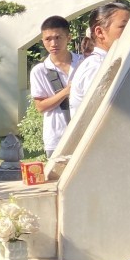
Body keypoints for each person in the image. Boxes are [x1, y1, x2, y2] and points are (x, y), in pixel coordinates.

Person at [29, 16, 82, 157]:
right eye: (48, 39)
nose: (53, 43)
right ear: (42, 41)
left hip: (86, 132)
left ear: (69, 38)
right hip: (57, 136)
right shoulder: (40, 70)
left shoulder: (84, 63)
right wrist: (66, 92)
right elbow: (40, 106)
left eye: (58, 38)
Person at [68, 1, 130, 113]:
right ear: (100, 32)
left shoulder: (108, 62)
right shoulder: (96, 67)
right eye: (123, 26)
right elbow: (103, 113)